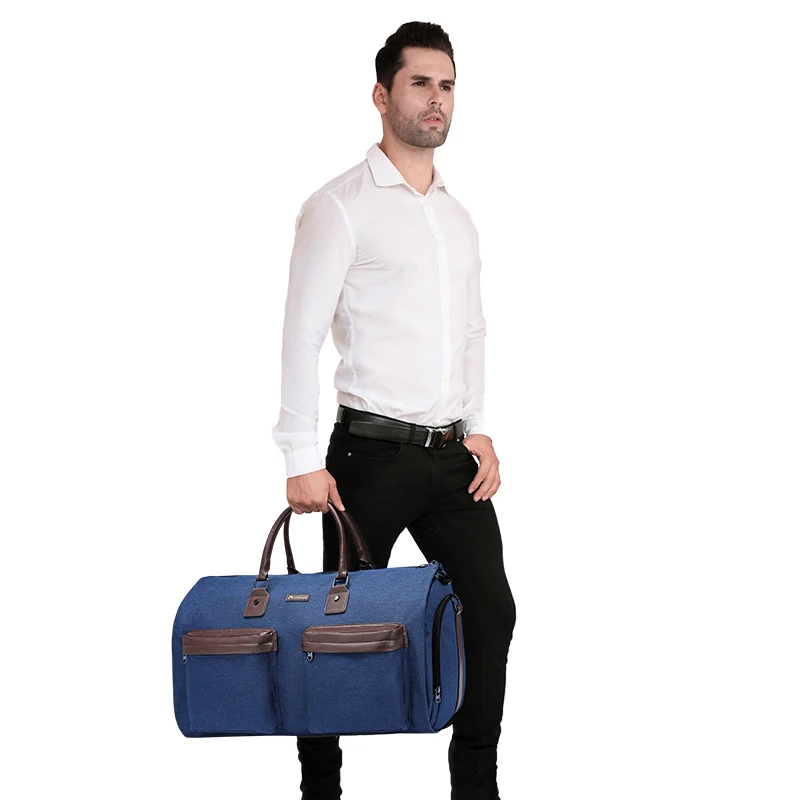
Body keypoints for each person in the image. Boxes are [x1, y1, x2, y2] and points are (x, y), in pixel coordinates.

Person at [271, 21, 516, 800]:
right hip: (367, 461)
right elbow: (301, 332)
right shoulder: (339, 207)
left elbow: (472, 331)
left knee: (492, 613)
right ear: (382, 96)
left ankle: (476, 788)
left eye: (446, 85)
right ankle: (321, 789)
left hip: (451, 459)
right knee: (330, 633)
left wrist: (479, 426)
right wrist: (299, 457)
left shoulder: (456, 217)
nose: (436, 99)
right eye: (420, 83)